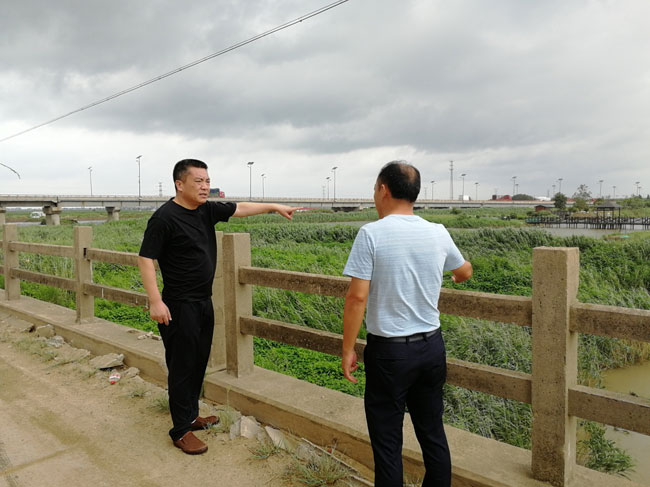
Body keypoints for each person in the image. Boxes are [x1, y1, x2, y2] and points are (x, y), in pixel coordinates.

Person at [138, 158, 298, 455]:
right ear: (180, 184)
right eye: (198, 181)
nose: (205, 186)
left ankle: (190, 416)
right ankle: (180, 430)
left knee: (198, 362)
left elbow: (241, 208)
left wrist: (274, 207)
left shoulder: (206, 210)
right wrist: (155, 300)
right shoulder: (164, 218)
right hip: (178, 305)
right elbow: (146, 258)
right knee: (182, 367)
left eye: (207, 181)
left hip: (203, 301)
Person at [341, 161, 472, 486]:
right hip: (431, 348)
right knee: (432, 432)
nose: (374, 195)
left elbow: (356, 298)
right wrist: (456, 275)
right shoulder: (437, 231)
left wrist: (348, 349)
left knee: (387, 442)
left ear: (384, 190)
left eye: (375, 189)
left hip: (390, 354)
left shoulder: (371, 234)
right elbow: (465, 270)